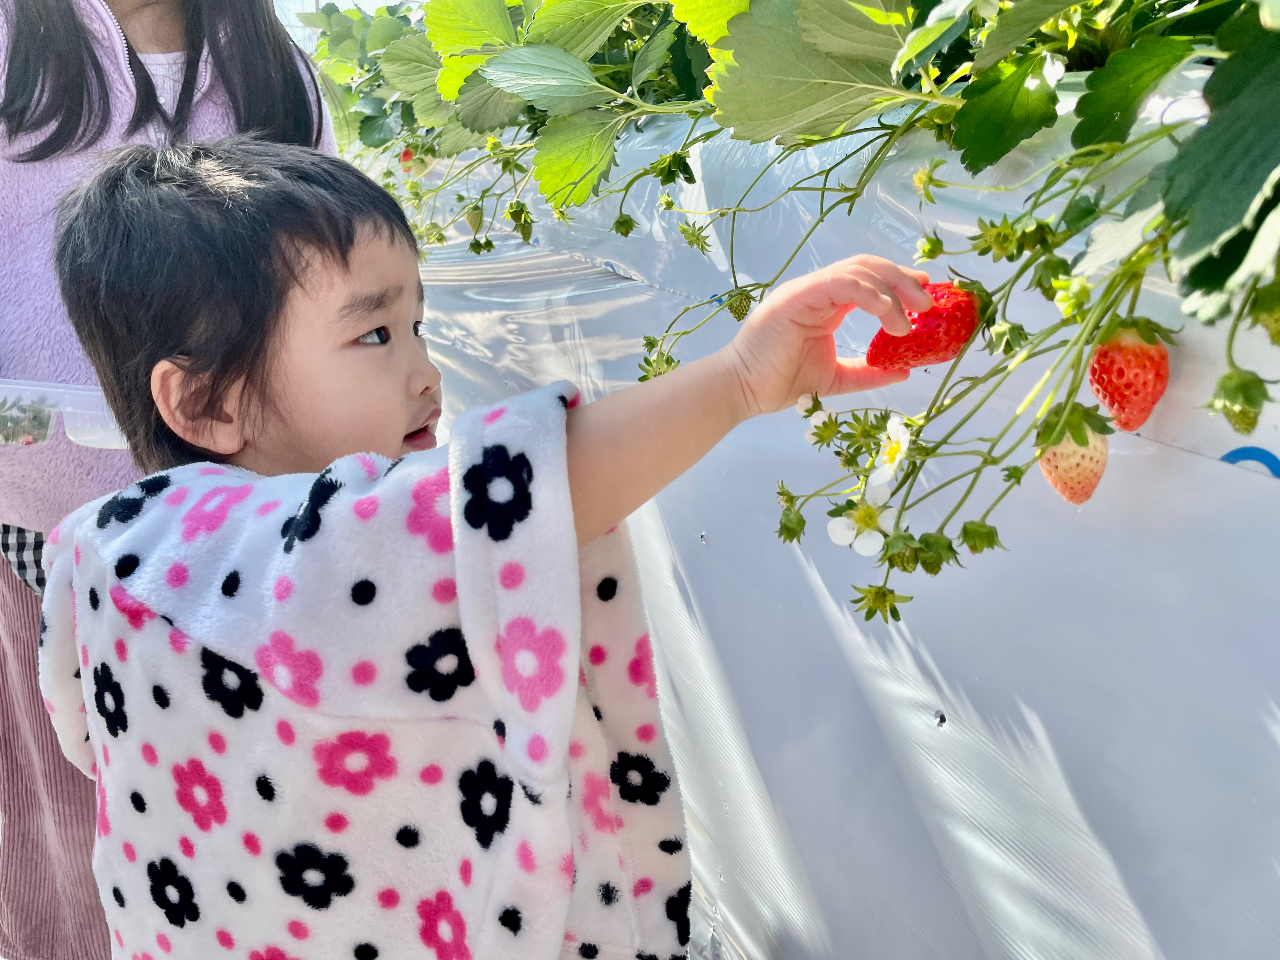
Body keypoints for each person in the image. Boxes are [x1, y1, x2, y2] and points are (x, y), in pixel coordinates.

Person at [38, 138, 929, 959]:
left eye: (419, 326)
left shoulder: (90, 554)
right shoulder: (303, 551)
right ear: (206, 406)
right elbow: (510, 495)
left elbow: (88, 737)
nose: (425, 370)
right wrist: (739, 380)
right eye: (375, 334)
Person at [0, 0, 334, 955]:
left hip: (240, 542)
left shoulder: (272, 71)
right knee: (66, 830)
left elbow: (319, 281)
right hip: (39, 526)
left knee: (231, 836)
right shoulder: (19, 42)